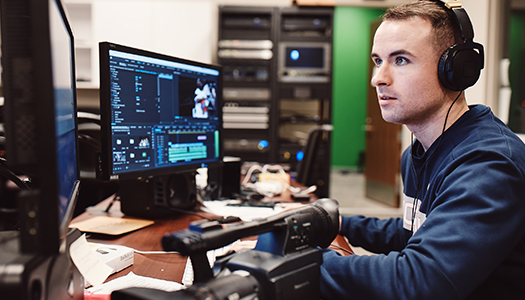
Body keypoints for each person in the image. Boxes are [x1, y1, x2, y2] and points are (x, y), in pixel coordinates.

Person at [319, 1, 525, 299]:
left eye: (400, 60)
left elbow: (418, 281)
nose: (378, 78)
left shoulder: (488, 164)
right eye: (378, 61)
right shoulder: (421, 153)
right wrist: (338, 223)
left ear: (454, 70)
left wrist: (303, 263)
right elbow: (412, 232)